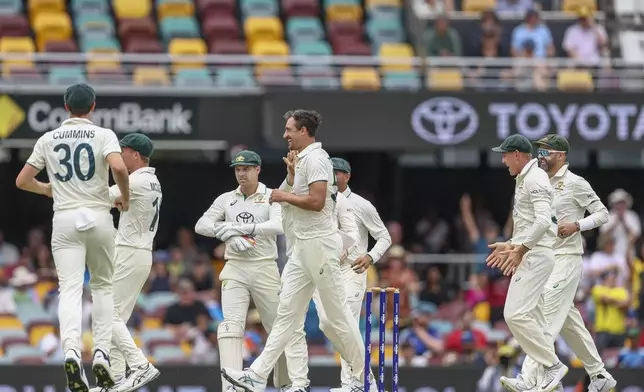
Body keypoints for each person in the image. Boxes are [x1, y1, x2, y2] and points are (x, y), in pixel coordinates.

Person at [222, 110, 367, 392]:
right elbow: (291, 195)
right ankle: (257, 374)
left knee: (336, 318)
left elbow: (317, 201)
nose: (285, 135)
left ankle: (360, 381)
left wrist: (283, 194)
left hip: (320, 245)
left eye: (289, 130)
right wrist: (289, 177)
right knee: (286, 316)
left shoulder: (317, 159)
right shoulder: (301, 161)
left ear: (304, 131)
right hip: (302, 247)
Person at [15, 83, 130, 392]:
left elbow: (22, 180)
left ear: (65, 107)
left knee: (69, 290)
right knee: (103, 287)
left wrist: (44, 188)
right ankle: (103, 353)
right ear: (93, 107)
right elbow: (118, 167)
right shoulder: (104, 135)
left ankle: (71, 353)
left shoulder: (48, 138)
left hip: (64, 218)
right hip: (98, 215)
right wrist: (126, 196)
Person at [500, 134, 616, 392]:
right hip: (543, 258)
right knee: (567, 320)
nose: (541, 156)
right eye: (539, 151)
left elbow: (602, 214)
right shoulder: (536, 180)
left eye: (547, 152)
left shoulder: (575, 183)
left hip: (566, 259)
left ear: (561, 155)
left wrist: (577, 225)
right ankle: (599, 375)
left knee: (545, 319)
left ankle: (530, 378)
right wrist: (513, 245)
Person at [194, 150, 310, 392]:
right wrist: (227, 233)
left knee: (278, 327)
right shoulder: (226, 198)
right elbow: (201, 225)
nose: (241, 173)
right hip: (235, 267)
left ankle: (286, 383)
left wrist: (237, 228)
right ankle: (231, 385)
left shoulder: (271, 196)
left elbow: (278, 226)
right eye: (237, 169)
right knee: (230, 326)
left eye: (246, 169)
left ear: (258, 170)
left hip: (264, 267)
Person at [486, 134, 567, 392]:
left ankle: (552, 365)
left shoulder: (534, 178)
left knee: (514, 314)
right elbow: (533, 223)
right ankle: (535, 379)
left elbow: (544, 222)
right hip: (531, 252)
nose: (503, 159)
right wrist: (511, 244)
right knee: (535, 321)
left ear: (518, 155)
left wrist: (521, 249)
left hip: (536, 256)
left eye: (505, 154)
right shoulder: (526, 178)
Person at [97, 133, 162, 392]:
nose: (117, 157)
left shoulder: (136, 181)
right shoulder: (152, 180)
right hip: (136, 253)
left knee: (106, 313)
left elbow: (102, 197)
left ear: (136, 154)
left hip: (130, 252)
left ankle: (140, 365)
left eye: (121, 152)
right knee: (114, 321)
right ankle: (112, 383)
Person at [326, 157, 392, 392]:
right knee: (328, 325)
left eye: (337, 173)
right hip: (328, 270)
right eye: (329, 172)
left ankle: (352, 383)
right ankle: (365, 378)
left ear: (347, 176)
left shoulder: (362, 204)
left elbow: (385, 237)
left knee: (347, 322)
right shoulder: (321, 201)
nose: (333, 177)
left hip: (353, 269)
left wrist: (370, 257)